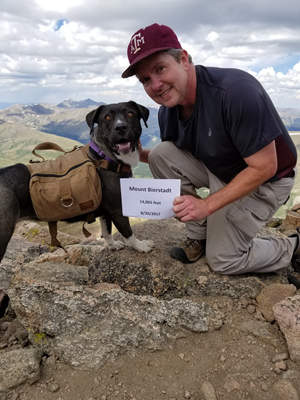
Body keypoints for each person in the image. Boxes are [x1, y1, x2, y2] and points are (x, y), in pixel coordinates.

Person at [121, 23, 300, 278]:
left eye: (160, 69)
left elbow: (265, 167)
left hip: (267, 180)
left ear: (183, 58)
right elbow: (181, 157)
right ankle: (200, 236)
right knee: (160, 154)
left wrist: (206, 205)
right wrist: (138, 155)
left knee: (224, 260)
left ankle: (292, 246)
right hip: (222, 169)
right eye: (145, 80)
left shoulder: (235, 92)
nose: (156, 85)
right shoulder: (168, 112)